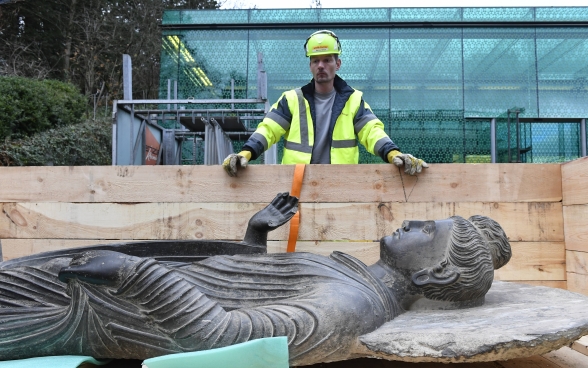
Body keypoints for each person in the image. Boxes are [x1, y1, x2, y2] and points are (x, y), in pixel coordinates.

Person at [0, 194, 510, 366]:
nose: (413, 221)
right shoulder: (355, 277)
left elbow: (224, 339)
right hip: (103, 291)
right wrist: (253, 240)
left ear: (436, 270)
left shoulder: (349, 306)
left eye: (428, 231)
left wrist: (135, 273)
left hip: (96, 313)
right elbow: (243, 290)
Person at [222, 30, 428, 177]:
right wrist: (245, 153)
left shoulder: (353, 100)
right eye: (315, 60)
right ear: (310, 66)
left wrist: (393, 153)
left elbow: (372, 132)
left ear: (337, 64)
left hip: (340, 183)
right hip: (295, 185)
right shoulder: (292, 100)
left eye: (327, 60)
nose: (321, 65)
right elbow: (268, 130)